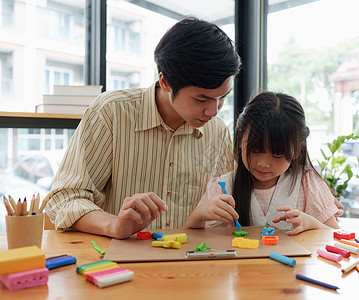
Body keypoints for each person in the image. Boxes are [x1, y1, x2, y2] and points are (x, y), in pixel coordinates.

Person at [45, 17, 242, 239]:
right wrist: (114, 225)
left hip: (190, 261)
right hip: (118, 260)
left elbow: (223, 206)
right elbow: (66, 199)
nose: (214, 111)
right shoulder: (111, 113)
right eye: (201, 99)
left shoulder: (217, 131)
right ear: (166, 81)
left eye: (222, 97)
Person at [183, 91, 342, 235]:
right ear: (240, 138)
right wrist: (199, 215)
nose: (264, 164)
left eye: (277, 154)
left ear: (296, 150)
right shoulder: (222, 188)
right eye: (255, 150)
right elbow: (190, 242)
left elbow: (338, 238)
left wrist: (312, 223)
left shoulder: (308, 184)